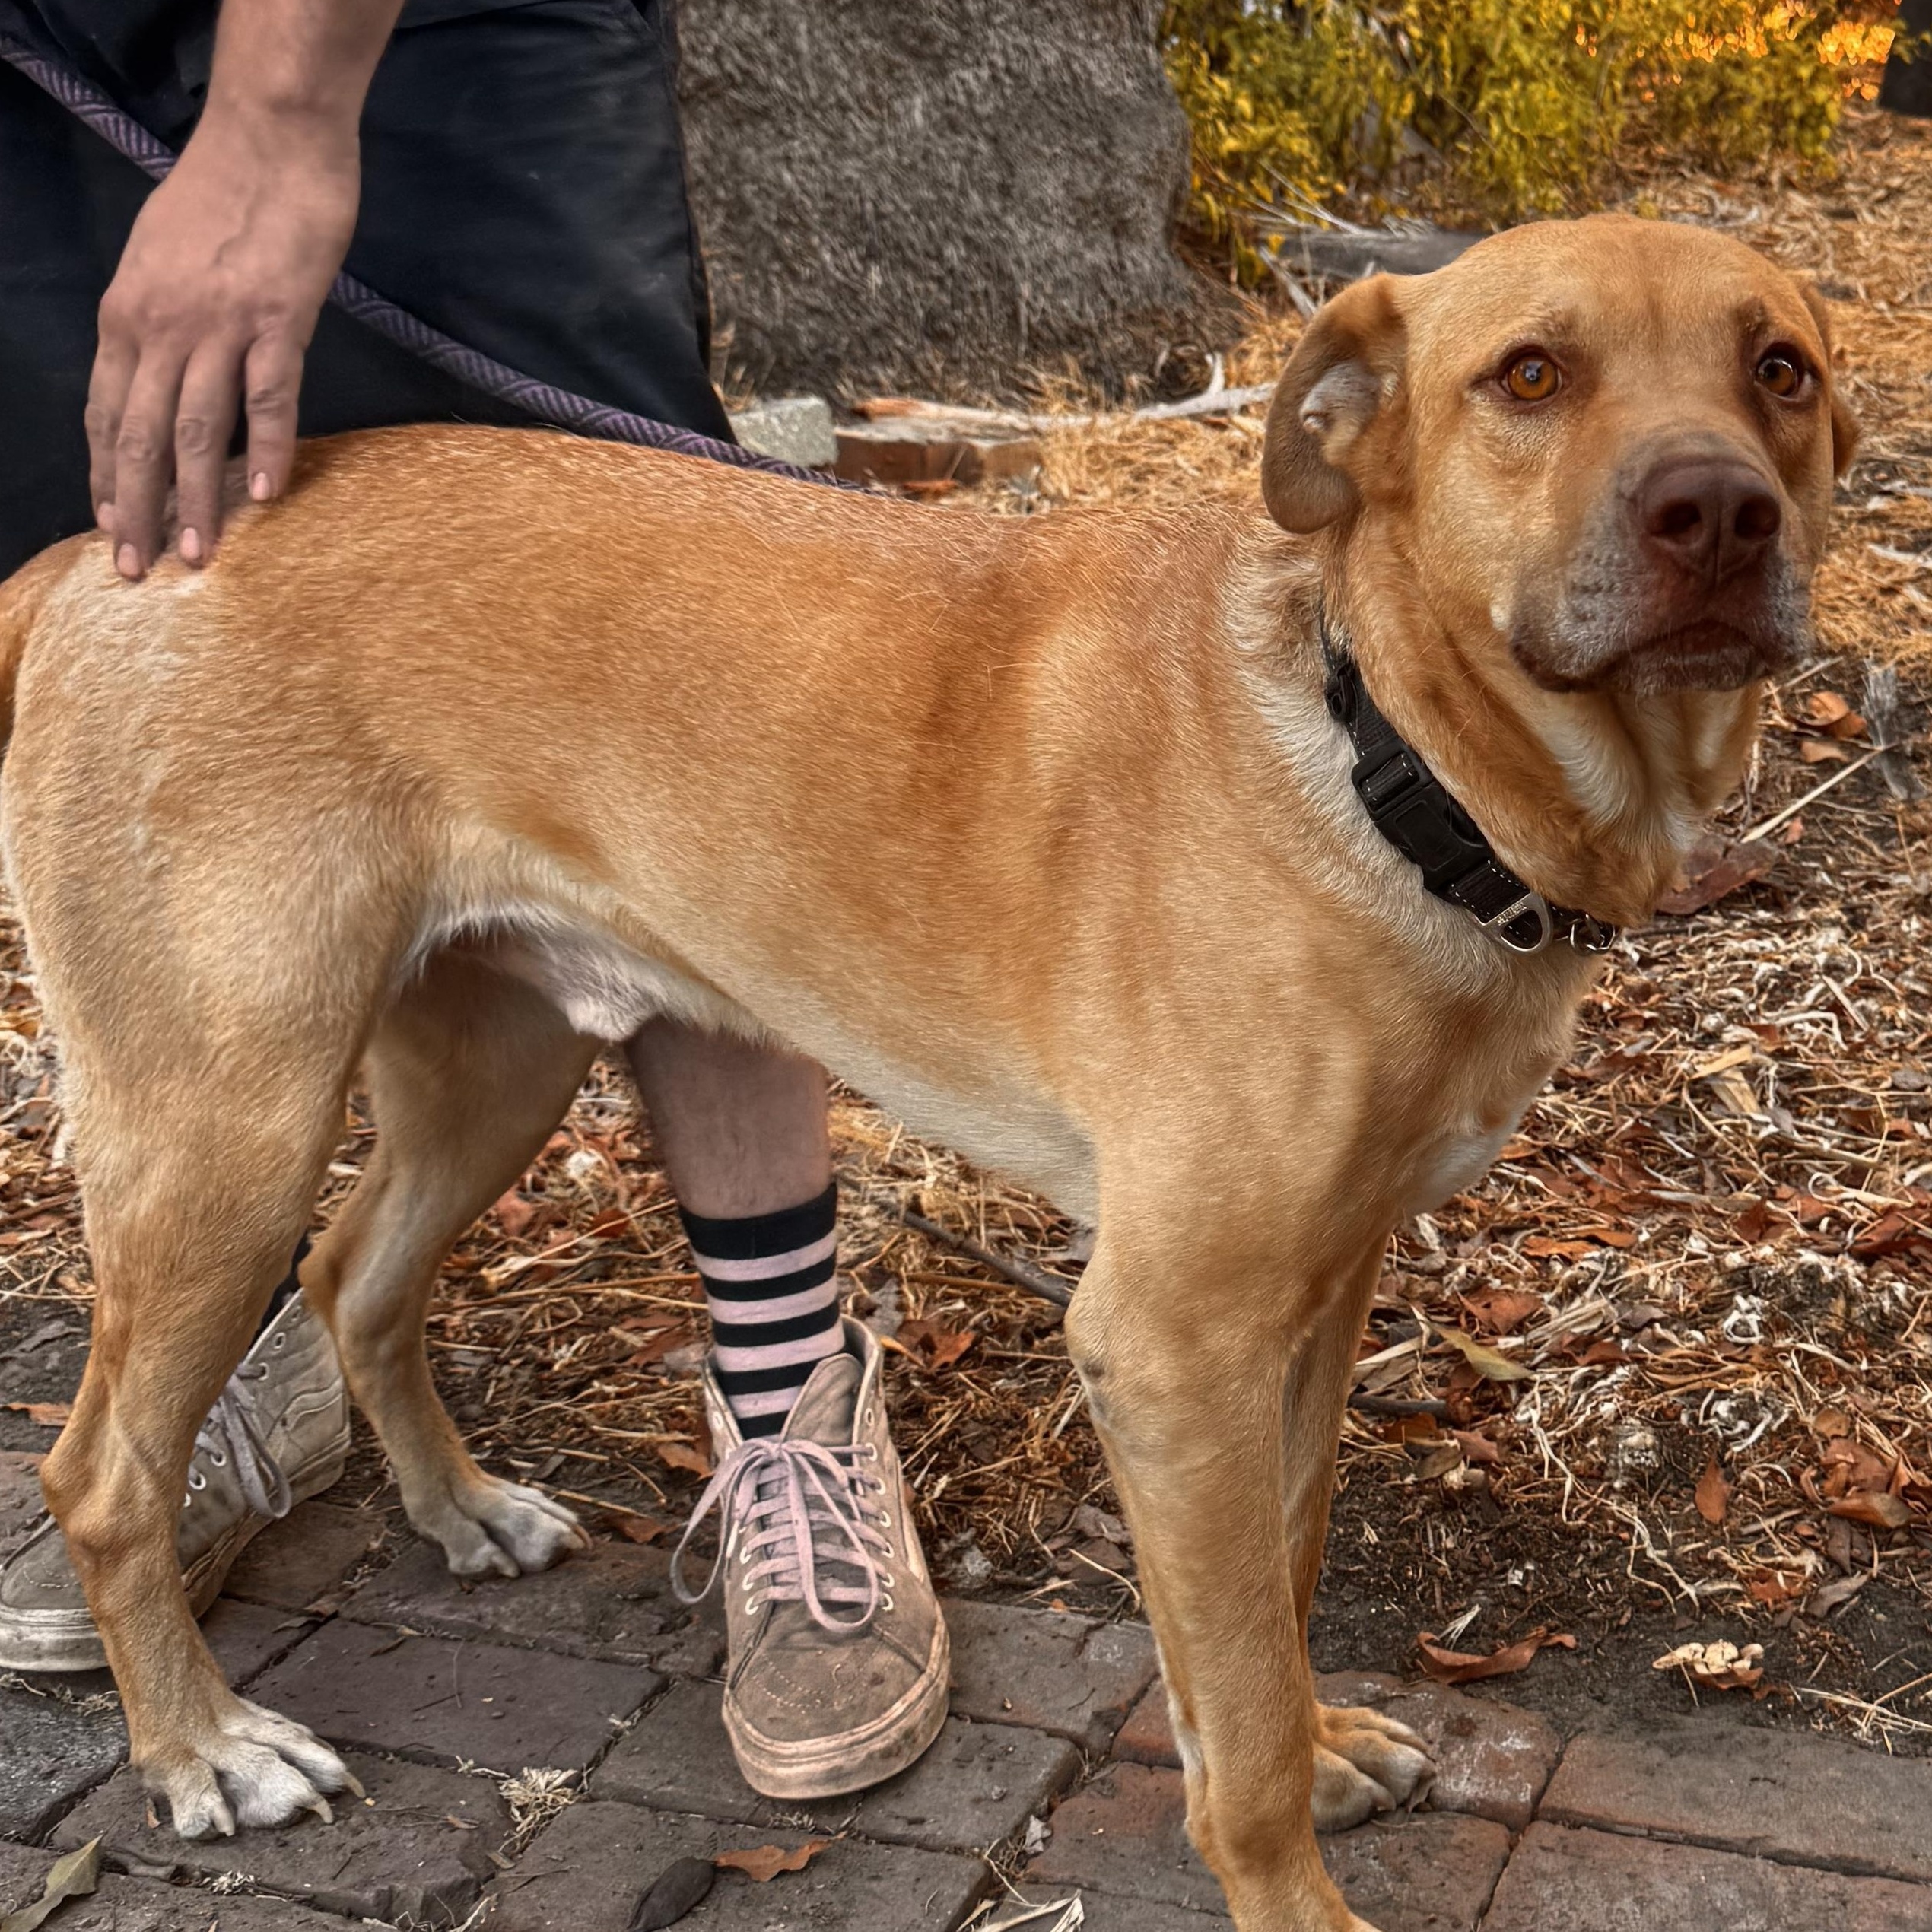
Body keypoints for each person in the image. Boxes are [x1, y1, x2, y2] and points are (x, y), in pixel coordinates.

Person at [0, 0, 949, 1800]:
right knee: (224, 1091)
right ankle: (154, 1495)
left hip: (437, 38)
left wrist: (278, 108)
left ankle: (786, 1407)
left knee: (682, 700)